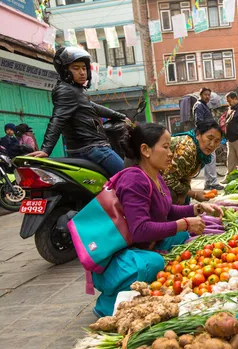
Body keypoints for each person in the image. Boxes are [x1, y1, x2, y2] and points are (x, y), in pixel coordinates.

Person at [92, 123, 223, 317]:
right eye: (166, 146)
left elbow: (167, 210)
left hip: (141, 245)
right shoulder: (134, 180)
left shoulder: (155, 175)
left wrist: (196, 208)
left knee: (181, 236)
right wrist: (185, 223)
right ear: (145, 150)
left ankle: (142, 276)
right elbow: (140, 229)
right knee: (154, 262)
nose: (171, 153)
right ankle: (109, 302)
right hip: (117, 257)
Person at [28, 47, 129, 177]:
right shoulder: (66, 90)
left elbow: (93, 107)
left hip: (88, 148)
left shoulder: (75, 90)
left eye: (84, 68)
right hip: (93, 148)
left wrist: (122, 116)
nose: (82, 72)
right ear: (65, 71)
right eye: (76, 68)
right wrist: (46, 150)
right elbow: (58, 119)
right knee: (129, 178)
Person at [163, 120, 223, 205]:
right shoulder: (187, 150)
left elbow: (186, 174)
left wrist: (184, 194)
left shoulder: (200, 152)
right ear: (198, 134)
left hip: (173, 177)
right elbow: (168, 178)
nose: (212, 144)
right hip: (159, 177)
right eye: (210, 138)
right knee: (174, 200)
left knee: (185, 198)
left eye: (217, 141)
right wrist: (194, 194)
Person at [194, 87, 223, 191]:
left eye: (208, 95)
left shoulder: (204, 106)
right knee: (210, 159)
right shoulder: (199, 106)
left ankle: (209, 182)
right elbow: (199, 122)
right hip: (206, 137)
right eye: (205, 94)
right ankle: (212, 182)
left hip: (208, 135)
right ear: (200, 94)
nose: (207, 97)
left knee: (209, 159)